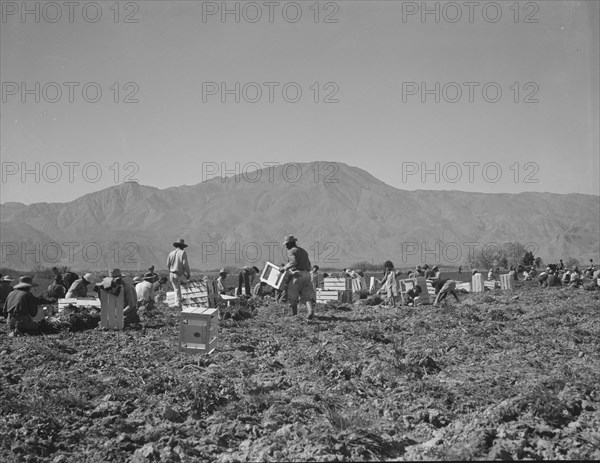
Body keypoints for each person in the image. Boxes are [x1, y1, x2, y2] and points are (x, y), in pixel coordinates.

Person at [278, 235, 316, 319]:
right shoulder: (304, 251)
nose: (286, 246)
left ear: (291, 243)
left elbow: (293, 262)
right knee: (307, 296)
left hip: (297, 275)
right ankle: (310, 311)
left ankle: (294, 316)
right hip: (307, 275)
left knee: (292, 297)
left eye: (287, 244)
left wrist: (284, 268)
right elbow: (309, 265)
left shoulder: (292, 251)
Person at [167, 238, 191, 307]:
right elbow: (185, 264)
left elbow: (167, 265)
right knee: (187, 286)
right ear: (182, 246)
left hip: (171, 274)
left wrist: (171, 270)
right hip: (179, 274)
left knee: (176, 290)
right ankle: (184, 304)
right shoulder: (182, 253)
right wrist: (188, 273)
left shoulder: (171, 253)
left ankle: (177, 304)